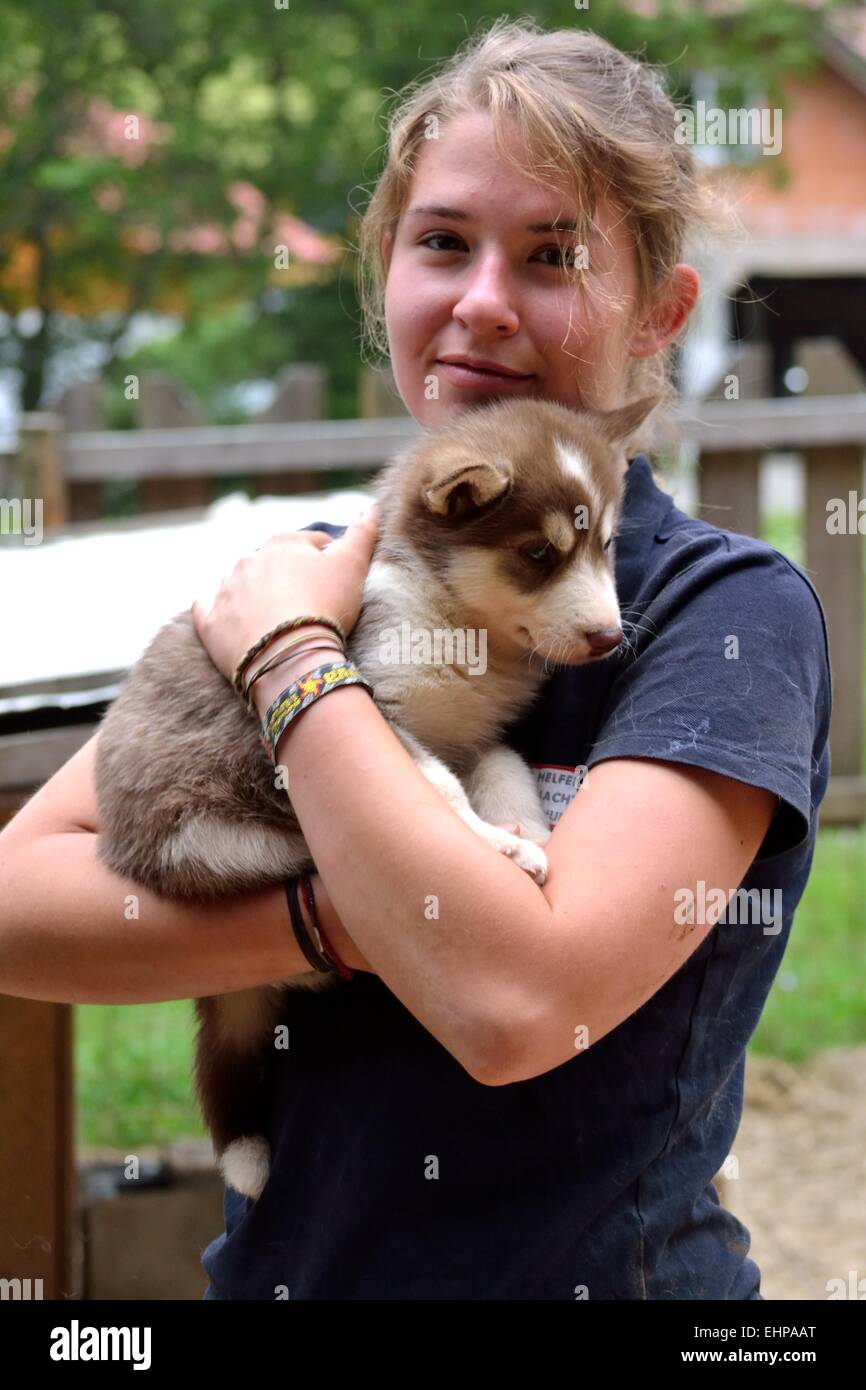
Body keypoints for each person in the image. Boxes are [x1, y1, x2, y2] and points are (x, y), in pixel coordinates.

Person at [0, 21, 830, 1300]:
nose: (481, 299)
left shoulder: (724, 614)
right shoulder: (315, 570)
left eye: (553, 255)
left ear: (661, 310)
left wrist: (290, 667)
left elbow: (511, 1004)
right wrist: (335, 918)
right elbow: (18, 906)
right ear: (386, 272)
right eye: (440, 241)